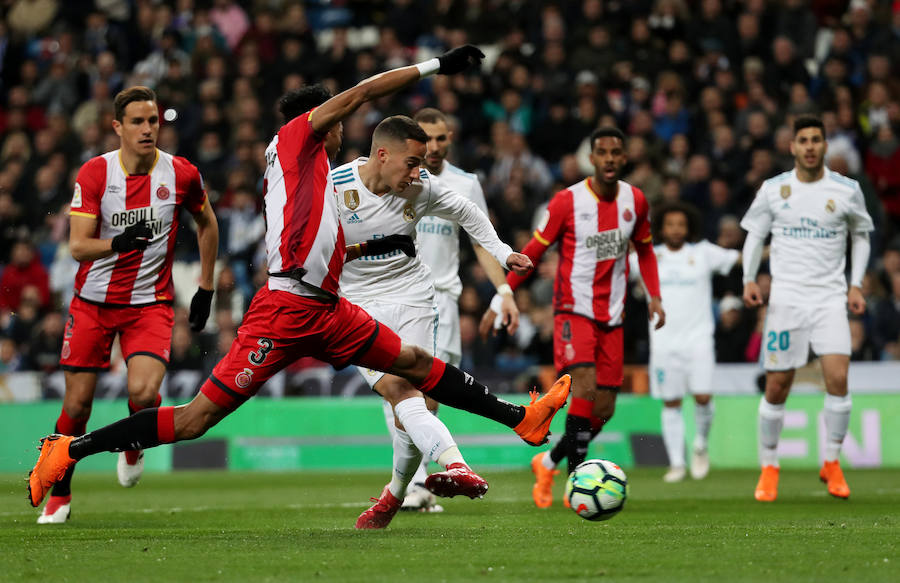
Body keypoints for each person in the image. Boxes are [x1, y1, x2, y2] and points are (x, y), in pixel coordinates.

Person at [27, 47, 571, 529]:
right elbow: (361, 92)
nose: (343, 128)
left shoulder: (314, 170)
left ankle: (520, 418)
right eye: (337, 122)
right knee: (196, 419)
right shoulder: (297, 140)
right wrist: (433, 66)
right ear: (321, 124)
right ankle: (70, 449)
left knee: (413, 363)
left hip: (330, 310)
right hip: (284, 309)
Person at [333, 114, 530, 522]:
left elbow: (467, 212)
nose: (418, 172)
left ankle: (403, 492)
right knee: (396, 390)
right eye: (411, 162)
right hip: (358, 304)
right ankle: (447, 468)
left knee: (415, 395)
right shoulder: (334, 188)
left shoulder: (421, 187)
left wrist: (502, 251)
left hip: (416, 297)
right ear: (382, 155)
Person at [36, 86, 219, 524]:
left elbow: (207, 222)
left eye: (153, 120)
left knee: (142, 392)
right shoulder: (97, 174)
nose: (147, 129)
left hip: (149, 305)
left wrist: (206, 288)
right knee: (78, 406)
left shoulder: (180, 173)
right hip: (92, 304)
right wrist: (117, 242)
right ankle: (60, 492)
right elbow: (78, 247)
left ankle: (133, 442)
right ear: (117, 127)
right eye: (137, 121)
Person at [481, 127, 665, 508]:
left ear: (624, 158)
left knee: (604, 408)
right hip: (572, 309)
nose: (610, 158)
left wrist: (655, 296)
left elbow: (645, 251)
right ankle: (577, 480)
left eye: (617, 151)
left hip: (612, 315)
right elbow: (532, 250)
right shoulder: (567, 202)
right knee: (582, 383)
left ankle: (547, 462)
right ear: (592, 159)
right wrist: (504, 292)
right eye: (603, 152)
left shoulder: (636, 201)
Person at [741, 114, 872, 502]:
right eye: (804, 140)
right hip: (787, 301)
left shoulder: (846, 190)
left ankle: (831, 462)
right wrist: (749, 278)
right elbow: (754, 236)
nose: (811, 146)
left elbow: (861, 237)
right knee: (777, 385)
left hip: (830, 298)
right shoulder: (773, 189)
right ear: (793, 146)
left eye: (817, 139)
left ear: (825, 145)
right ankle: (769, 467)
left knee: (838, 378)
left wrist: (856, 284)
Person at [400, 107, 520, 512]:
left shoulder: (465, 184)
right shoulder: (398, 179)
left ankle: (416, 486)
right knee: (404, 392)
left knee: (427, 396)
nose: (433, 147)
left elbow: (481, 241)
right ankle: (417, 485)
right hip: (398, 297)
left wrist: (502, 290)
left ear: (450, 138)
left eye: (440, 138)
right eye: (426, 139)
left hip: (443, 302)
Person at [633, 202, 739, 483]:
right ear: (662, 228)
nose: (676, 229)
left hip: (699, 339)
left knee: (703, 396)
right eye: (670, 224)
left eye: (680, 224)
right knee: (671, 402)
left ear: (688, 227)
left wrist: (776, 250)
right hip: (664, 341)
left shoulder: (703, 253)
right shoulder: (648, 257)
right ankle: (678, 464)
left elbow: (738, 259)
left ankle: (701, 445)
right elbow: (612, 266)